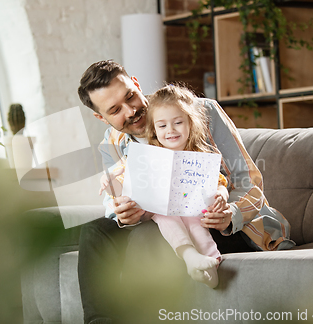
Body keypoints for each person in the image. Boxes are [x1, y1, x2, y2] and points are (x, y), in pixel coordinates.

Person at [77, 60, 294, 324]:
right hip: (161, 220)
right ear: (101, 117)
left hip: (220, 223)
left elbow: (250, 180)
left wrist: (230, 214)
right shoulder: (112, 142)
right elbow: (112, 200)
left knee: (149, 236)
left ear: (136, 83)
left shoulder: (200, 111)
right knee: (94, 231)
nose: (131, 110)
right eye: (115, 109)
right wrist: (123, 214)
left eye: (131, 96)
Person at [99, 84, 234, 289]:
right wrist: (109, 179)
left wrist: (221, 195)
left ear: (191, 123)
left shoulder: (200, 153)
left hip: (192, 207)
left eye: (178, 123)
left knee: (197, 224)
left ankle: (210, 264)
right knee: (164, 215)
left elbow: (220, 182)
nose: (170, 130)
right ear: (154, 129)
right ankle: (189, 257)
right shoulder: (149, 154)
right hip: (162, 209)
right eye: (162, 126)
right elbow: (121, 172)